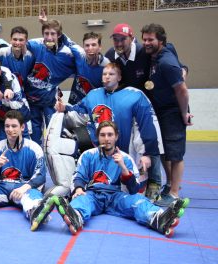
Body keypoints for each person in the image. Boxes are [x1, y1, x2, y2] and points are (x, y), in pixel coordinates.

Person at [31, 121, 189, 238]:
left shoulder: (125, 158)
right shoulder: (88, 155)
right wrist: (79, 189)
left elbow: (134, 189)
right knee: (81, 201)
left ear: (116, 137)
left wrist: (123, 167)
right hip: (94, 195)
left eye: (110, 135)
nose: (106, 138)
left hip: (116, 196)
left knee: (138, 201)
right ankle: (75, 216)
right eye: (102, 135)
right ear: (98, 137)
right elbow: (78, 176)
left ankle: (158, 218)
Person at [105, 23, 187, 202]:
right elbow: (107, 72)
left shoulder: (145, 52)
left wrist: (184, 69)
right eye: (116, 39)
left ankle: (158, 184)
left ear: (131, 38)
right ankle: (144, 180)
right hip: (129, 107)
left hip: (152, 107)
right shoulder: (111, 55)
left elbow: (170, 55)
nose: (119, 43)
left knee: (154, 144)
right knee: (141, 146)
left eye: (122, 39)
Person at [58, 63, 162, 183]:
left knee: (129, 188)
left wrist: (147, 154)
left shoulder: (135, 96)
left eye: (111, 74)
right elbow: (80, 112)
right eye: (104, 74)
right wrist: (64, 107)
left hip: (126, 156)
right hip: (102, 156)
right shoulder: (93, 95)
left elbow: (146, 126)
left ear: (119, 77)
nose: (107, 77)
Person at [141, 23, 193, 206]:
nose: (146, 43)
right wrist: (184, 69)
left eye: (150, 40)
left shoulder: (166, 62)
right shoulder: (158, 54)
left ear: (160, 41)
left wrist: (184, 113)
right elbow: (182, 68)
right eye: (144, 39)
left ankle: (174, 194)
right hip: (159, 110)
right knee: (164, 151)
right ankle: (171, 183)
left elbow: (182, 91)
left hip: (172, 111)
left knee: (176, 154)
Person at [25, 19, 77, 145]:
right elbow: (16, 44)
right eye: (46, 33)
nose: (49, 37)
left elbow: (81, 54)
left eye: (53, 34)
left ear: (59, 35)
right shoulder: (35, 45)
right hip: (31, 101)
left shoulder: (67, 54)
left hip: (50, 101)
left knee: (54, 134)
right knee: (35, 137)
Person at [67, 32, 110, 105]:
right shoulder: (79, 55)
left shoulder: (106, 65)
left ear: (100, 47)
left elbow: (109, 91)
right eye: (87, 45)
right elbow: (64, 39)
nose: (90, 48)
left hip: (94, 106)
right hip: (75, 103)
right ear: (83, 47)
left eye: (93, 45)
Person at [0, 26, 35, 91]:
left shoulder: (30, 56)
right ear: (10, 39)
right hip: (4, 91)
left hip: (23, 93)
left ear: (26, 41)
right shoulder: (2, 52)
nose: (17, 43)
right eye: (15, 39)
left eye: (21, 40)